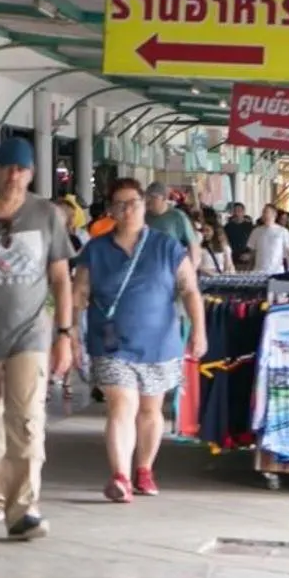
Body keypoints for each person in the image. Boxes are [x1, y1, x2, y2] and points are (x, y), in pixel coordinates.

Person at [0, 136, 74, 539]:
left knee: (26, 421)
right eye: (6, 168)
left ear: (31, 173)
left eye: (21, 169)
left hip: (30, 335)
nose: (13, 176)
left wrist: (63, 333)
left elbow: (61, 277)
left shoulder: (46, 215)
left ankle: (24, 508)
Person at [77, 177, 208, 504]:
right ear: (110, 210)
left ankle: (144, 468)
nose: (127, 210)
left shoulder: (167, 246)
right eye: (119, 204)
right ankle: (120, 475)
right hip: (110, 344)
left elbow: (190, 290)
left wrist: (199, 331)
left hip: (160, 342)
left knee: (150, 410)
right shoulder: (95, 249)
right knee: (122, 404)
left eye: (133, 203)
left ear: (144, 205)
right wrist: (67, 333)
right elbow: (79, 292)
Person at [144, 182, 198, 261]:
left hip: (171, 265)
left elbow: (193, 246)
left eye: (153, 197)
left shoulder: (177, 217)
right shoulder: (142, 216)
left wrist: (191, 269)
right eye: (147, 196)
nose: (148, 200)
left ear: (164, 198)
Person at [195, 208, 233, 277]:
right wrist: (208, 272)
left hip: (219, 279)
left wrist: (227, 272)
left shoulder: (223, 245)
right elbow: (195, 264)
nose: (204, 233)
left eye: (207, 230)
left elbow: (229, 264)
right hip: (204, 280)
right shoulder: (198, 244)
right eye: (202, 231)